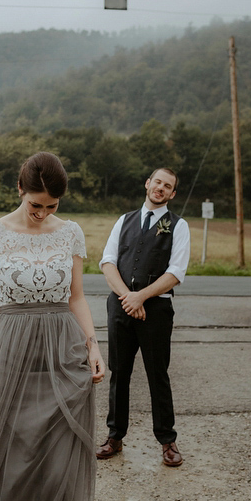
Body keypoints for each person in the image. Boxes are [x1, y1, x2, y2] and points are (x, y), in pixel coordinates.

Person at [0, 151, 105, 501]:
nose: (44, 213)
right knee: (9, 451)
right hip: (12, 349)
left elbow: (76, 298)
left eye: (52, 206)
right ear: (19, 189)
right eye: (36, 206)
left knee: (60, 457)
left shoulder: (71, 233)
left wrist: (93, 345)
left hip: (64, 349)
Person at [95, 167, 190, 467]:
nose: (160, 188)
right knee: (119, 372)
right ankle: (114, 437)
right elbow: (107, 262)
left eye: (167, 186)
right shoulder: (124, 220)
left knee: (157, 375)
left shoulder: (179, 225)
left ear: (172, 194)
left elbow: (176, 271)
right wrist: (128, 297)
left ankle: (167, 441)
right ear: (148, 184)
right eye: (157, 182)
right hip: (121, 306)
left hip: (157, 311)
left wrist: (142, 296)